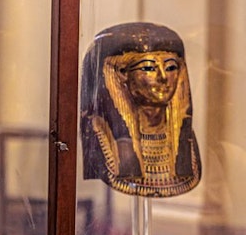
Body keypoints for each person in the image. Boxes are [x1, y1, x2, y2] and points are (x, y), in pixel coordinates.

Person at [80, 22, 201, 197]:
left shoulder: (184, 138)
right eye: (148, 68)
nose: (163, 77)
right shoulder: (98, 132)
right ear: (121, 74)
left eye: (171, 67)